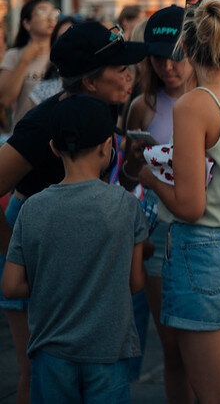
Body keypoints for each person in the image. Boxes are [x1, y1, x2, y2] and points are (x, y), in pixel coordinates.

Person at [0, 21, 146, 403]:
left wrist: (131, 168)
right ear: (90, 82)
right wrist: (18, 252)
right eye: (120, 69)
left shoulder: (106, 109)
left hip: (81, 226)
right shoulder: (43, 125)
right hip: (36, 232)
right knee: (37, 370)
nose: (129, 75)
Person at [134, 0, 220, 403]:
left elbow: (190, 206)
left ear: (188, 49)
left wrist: (151, 178)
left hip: (204, 252)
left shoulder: (195, 105)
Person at [121, 5, 195, 404]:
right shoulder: (143, 106)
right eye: (158, 56)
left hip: (204, 229)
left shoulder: (209, 99)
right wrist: (134, 158)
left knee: (209, 351)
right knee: (173, 351)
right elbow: (129, 180)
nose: (169, 66)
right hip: (158, 233)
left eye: (178, 55)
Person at [0, 0, 58, 128]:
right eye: (43, 12)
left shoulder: (60, 56)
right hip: (24, 134)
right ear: (27, 23)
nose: (50, 18)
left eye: (54, 13)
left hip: (55, 135)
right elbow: (5, 100)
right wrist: (24, 61)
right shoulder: (14, 55)